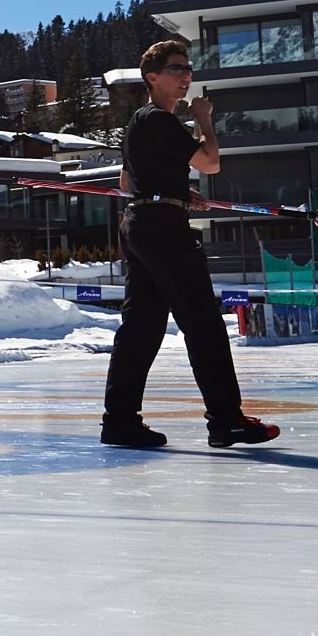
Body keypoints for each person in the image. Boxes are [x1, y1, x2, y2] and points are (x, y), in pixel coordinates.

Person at [100, 40, 279, 450]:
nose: (186, 76)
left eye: (188, 68)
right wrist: (204, 121)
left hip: (141, 225)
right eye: (177, 69)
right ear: (153, 77)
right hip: (164, 229)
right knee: (203, 324)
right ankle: (226, 420)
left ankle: (120, 422)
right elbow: (211, 162)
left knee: (140, 330)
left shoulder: (137, 124)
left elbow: (127, 184)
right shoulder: (161, 121)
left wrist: (177, 192)